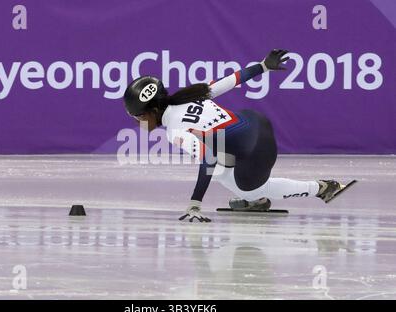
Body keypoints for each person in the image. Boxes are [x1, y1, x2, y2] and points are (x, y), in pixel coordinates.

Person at [123, 49, 342, 223]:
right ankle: (253, 195)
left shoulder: (175, 130)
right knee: (221, 154)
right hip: (257, 124)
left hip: (255, 150)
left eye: (136, 116)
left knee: (231, 177)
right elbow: (232, 80)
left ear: (151, 112)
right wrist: (263, 66)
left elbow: (208, 158)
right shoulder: (190, 94)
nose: (136, 122)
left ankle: (319, 188)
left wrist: (195, 202)